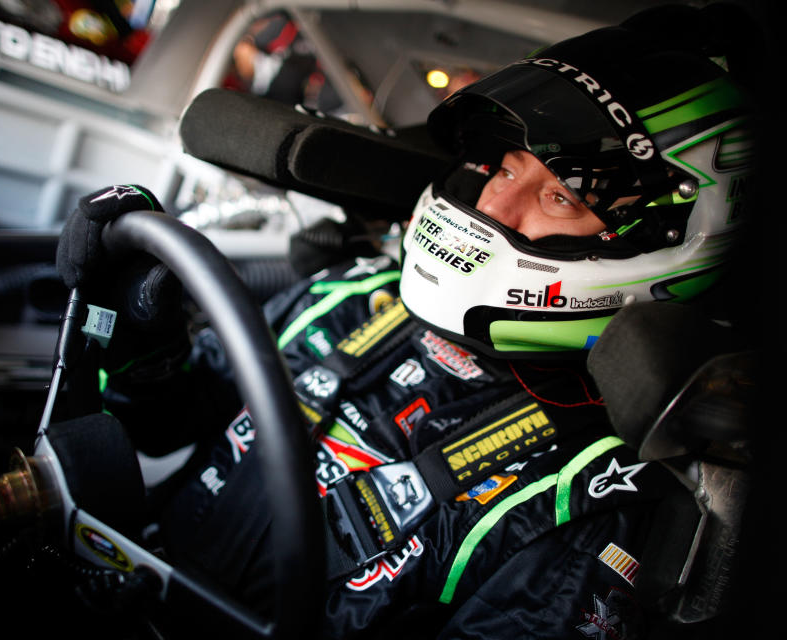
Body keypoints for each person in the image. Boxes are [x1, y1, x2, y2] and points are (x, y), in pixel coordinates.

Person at [54, 4, 762, 638]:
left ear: (662, 239)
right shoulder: (358, 293)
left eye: (560, 197)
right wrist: (144, 343)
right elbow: (166, 424)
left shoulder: (587, 494)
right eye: (509, 168)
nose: (493, 207)